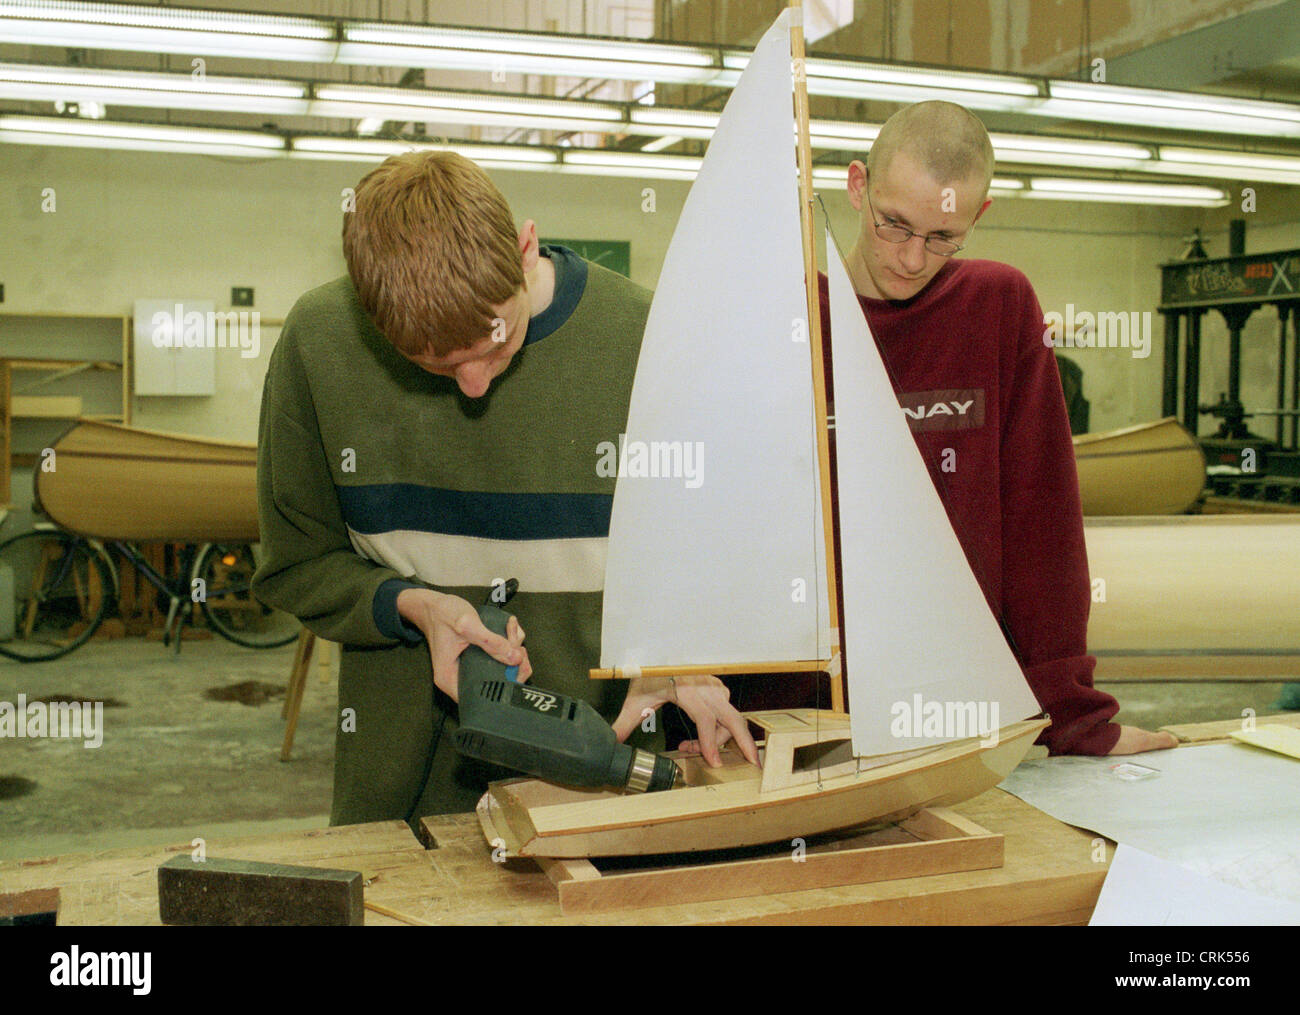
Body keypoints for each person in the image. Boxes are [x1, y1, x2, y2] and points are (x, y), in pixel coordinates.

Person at [253, 151, 757, 828]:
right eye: (433, 364)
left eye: (495, 343)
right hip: (405, 802)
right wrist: (413, 606)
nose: (474, 387)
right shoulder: (320, 346)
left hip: (609, 783)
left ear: (524, 248)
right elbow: (296, 564)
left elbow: (703, 551)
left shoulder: (648, 341)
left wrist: (677, 658)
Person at [728, 100, 1175, 757]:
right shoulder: (779, 317)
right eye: (894, 225)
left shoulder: (997, 308)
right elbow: (723, 527)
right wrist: (701, 687)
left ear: (978, 216)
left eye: (942, 237)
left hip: (953, 715)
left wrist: (1076, 720)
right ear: (858, 187)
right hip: (788, 721)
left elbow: (1042, 530)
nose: (912, 258)